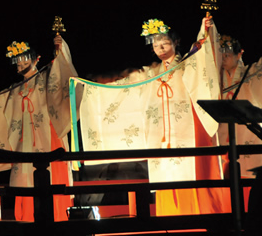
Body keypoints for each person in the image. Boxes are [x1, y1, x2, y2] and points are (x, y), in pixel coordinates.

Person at [74, 16, 227, 216]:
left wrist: (204, 31)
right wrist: (93, 85)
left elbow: (202, 56)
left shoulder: (187, 65)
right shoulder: (151, 72)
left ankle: (197, 217)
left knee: (189, 171)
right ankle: (170, 218)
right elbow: (124, 84)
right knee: (165, 173)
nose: (160, 48)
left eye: (165, 43)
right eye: (156, 44)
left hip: (186, 131)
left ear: (175, 42)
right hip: (161, 134)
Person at [0, 34, 81, 222]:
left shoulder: (46, 78)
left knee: (53, 181)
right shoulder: (15, 89)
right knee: (24, 184)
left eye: (23, 60)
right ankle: (27, 221)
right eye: (16, 62)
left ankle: (58, 220)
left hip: (49, 138)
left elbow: (62, 79)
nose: (19, 65)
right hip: (23, 142)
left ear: (36, 59)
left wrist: (60, 51)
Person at [217, 35, 262, 179]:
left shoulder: (250, 73)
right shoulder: (216, 79)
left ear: (239, 54)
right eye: (221, 55)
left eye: (228, 55)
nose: (223, 58)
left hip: (246, 130)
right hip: (223, 130)